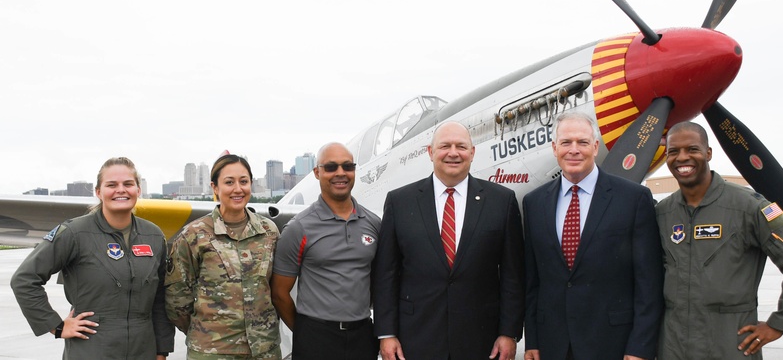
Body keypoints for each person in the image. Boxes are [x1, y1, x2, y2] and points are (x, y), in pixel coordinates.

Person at [655, 121, 783, 359]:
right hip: (673, 346)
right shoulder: (663, 213)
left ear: (708, 153)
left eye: (692, 149)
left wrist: (780, 323)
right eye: (673, 151)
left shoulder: (748, 207)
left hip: (729, 345)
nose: (682, 158)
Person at [373, 121, 525, 360]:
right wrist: (386, 332)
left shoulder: (502, 202)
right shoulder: (400, 202)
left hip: (481, 341)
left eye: (461, 147)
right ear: (430, 152)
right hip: (415, 338)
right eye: (445, 146)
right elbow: (386, 274)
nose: (453, 153)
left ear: (472, 153)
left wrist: (509, 333)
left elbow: (513, 275)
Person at [523, 112, 662, 360]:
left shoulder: (633, 199)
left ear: (595, 147)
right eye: (566, 143)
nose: (574, 150)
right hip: (552, 345)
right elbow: (533, 282)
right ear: (555, 148)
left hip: (612, 344)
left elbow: (648, 283)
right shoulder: (534, 203)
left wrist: (640, 347)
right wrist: (532, 339)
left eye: (583, 142)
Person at [10, 157, 174, 359]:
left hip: (143, 350)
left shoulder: (154, 236)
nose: (121, 190)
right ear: (98, 192)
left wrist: (162, 350)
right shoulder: (74, 233)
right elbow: (24, 279)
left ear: (138, 190)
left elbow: (160, 298)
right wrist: (56, 326)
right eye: (111, 185)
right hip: (91, 348)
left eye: (128, 184)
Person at [165, 154, 281, 359]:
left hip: (264, 351)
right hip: (213, 352)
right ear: (215, 187)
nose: (238, 189)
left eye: (243, 181)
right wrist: (206, 333)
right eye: (229, 182)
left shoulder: (268, 231)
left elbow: (275, 288)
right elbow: (177, 299)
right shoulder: (194, 235)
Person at [271, 142, 381, 360]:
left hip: (363, 335)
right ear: (317, 172)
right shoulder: (298, 228)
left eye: (347, 166)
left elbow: (381, 284)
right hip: (315, 337)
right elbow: (279, 293)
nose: (340, 173)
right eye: (331, 167)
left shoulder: (374, 223)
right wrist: (304, 332)